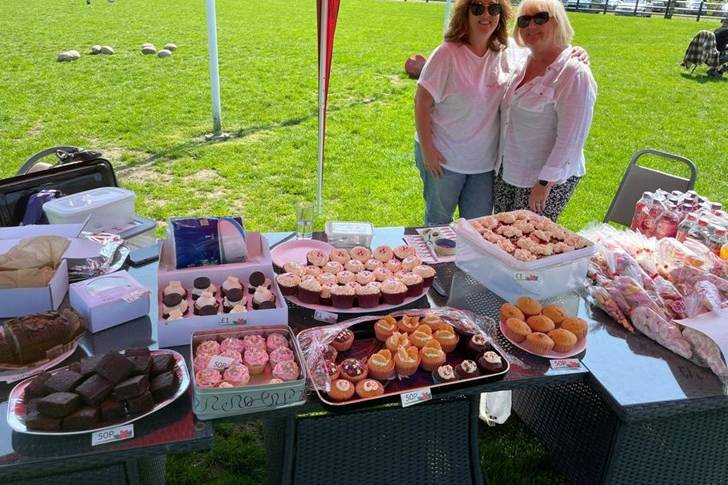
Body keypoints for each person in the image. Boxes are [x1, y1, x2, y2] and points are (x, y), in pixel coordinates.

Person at [493, 0, 597, 222]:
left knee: (528, 245)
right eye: (524, 20)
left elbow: (572, 137)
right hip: (509, 169)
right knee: (500, 236)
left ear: (557, 22)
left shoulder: (573, 73)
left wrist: (544, 182)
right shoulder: (522, 60)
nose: (531, 26)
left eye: (540, 18)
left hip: (544, 180)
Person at [414, 0, 513, 226]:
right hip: (444, 157)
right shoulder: (447, 54)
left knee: (479, 227)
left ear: (502, 14)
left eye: (494, 8)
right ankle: (437, 263)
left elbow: (544, 50)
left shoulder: (505, 54)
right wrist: (428, 150)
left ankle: (465, 263)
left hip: (483, 164)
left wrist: (574, 53)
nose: (486, 15)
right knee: (438, 224)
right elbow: (422, 101)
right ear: (465, 13)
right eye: (477, 8)